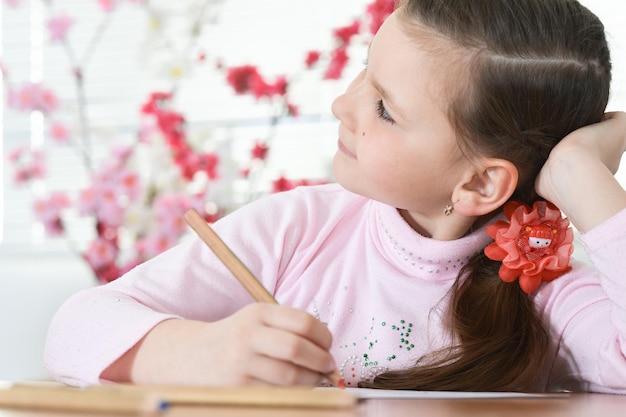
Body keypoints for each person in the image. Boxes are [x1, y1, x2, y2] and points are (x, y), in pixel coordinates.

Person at [45, 0, 626, 392]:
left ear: (477, 183)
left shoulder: (544, 292)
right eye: (362, 73)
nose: (341, 105)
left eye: (383, 109)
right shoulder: (297, 229)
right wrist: (193, 353)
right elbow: (74, 328)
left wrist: (586, 180)